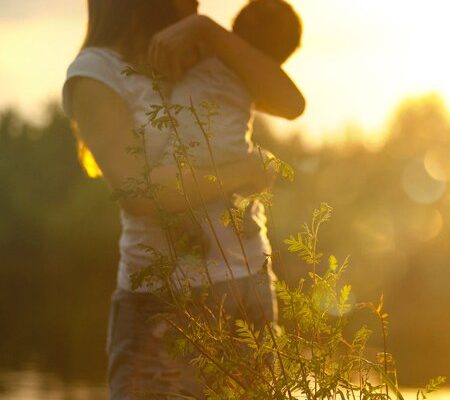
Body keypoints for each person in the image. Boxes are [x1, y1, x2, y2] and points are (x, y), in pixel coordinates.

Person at [61, 0, 304, 398]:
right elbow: (138, 193)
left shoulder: (208, 52)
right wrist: (243, 171)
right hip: (160, 304)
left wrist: (211, 33)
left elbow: (292, 104)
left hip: (246, 288)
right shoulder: (96, 71)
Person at [166, 0, 302, 271]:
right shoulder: (251, 77)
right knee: (260, 166)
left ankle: (190, 230)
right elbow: (293, 104)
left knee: (188, 183)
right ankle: (242, 217)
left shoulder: (201, 52)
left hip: (186, 152)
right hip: (231, 155)